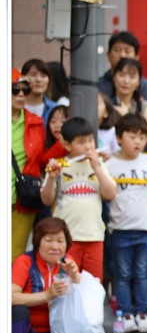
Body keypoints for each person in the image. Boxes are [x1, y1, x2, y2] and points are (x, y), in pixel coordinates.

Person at [12, 217, 110, 333]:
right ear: (38, 242)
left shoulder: (66, 262)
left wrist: (75, 278)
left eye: (60, 241)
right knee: (18, 312)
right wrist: (46, 295)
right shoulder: (24, 262)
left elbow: (81, 296)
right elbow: (10, 297)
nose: (54, 246)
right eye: (48, 240)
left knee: (87, 304)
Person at [106, 114, 147, 333]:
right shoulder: (110, 164)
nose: (137, 142)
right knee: (122, 274)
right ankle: (125, 313)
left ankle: (142, 312)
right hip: (119, 229)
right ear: (118, 138)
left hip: (144, 228)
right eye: (132, 136)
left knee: (142, 273)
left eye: (142, 137)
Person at [40, 117, 117, 283]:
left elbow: (110, 194)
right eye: (81, 142)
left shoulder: (98, 164)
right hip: (65, 239)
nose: (88, 146)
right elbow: (46, 200)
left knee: (93, 284)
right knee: (66, 283)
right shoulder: (58, 166)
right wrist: (52, 178)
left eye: (90, 140)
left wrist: (97, 167)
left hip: (94, 235)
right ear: (67, 145)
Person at [11, 68, 46, 261]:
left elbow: (42, 161)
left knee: (14, 256)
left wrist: (63, 148)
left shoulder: (35, 122)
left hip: (21, 199)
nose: (21, 95)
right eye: (15, 90)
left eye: (25, 90)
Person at [98, 31, 147, 105]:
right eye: (117, 50)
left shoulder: (145, 86)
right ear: (108, 55)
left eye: (127, 51)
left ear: (136, 57)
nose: (122, 55)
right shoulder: (98, 86)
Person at [111, 58, 147, 138]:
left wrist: (126, 116)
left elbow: (143, 139)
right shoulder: (105, 105)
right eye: (121, 75)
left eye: (132, 77)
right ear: (114, 77)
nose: (126, 81)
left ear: (139, 82)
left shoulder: (146, 107)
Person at [21, 59, 58, 127]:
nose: (38, 80)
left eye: (43, 76)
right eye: (33, 75)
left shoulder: (55, 109)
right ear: (23, 78)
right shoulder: (15, 107)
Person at [96, 91, 121, 161]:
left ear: (106, 113)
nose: (92, 106)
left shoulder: (112, 131)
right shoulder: (80, 130)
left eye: (97, 103)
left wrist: (110, 158)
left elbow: (118, 154)